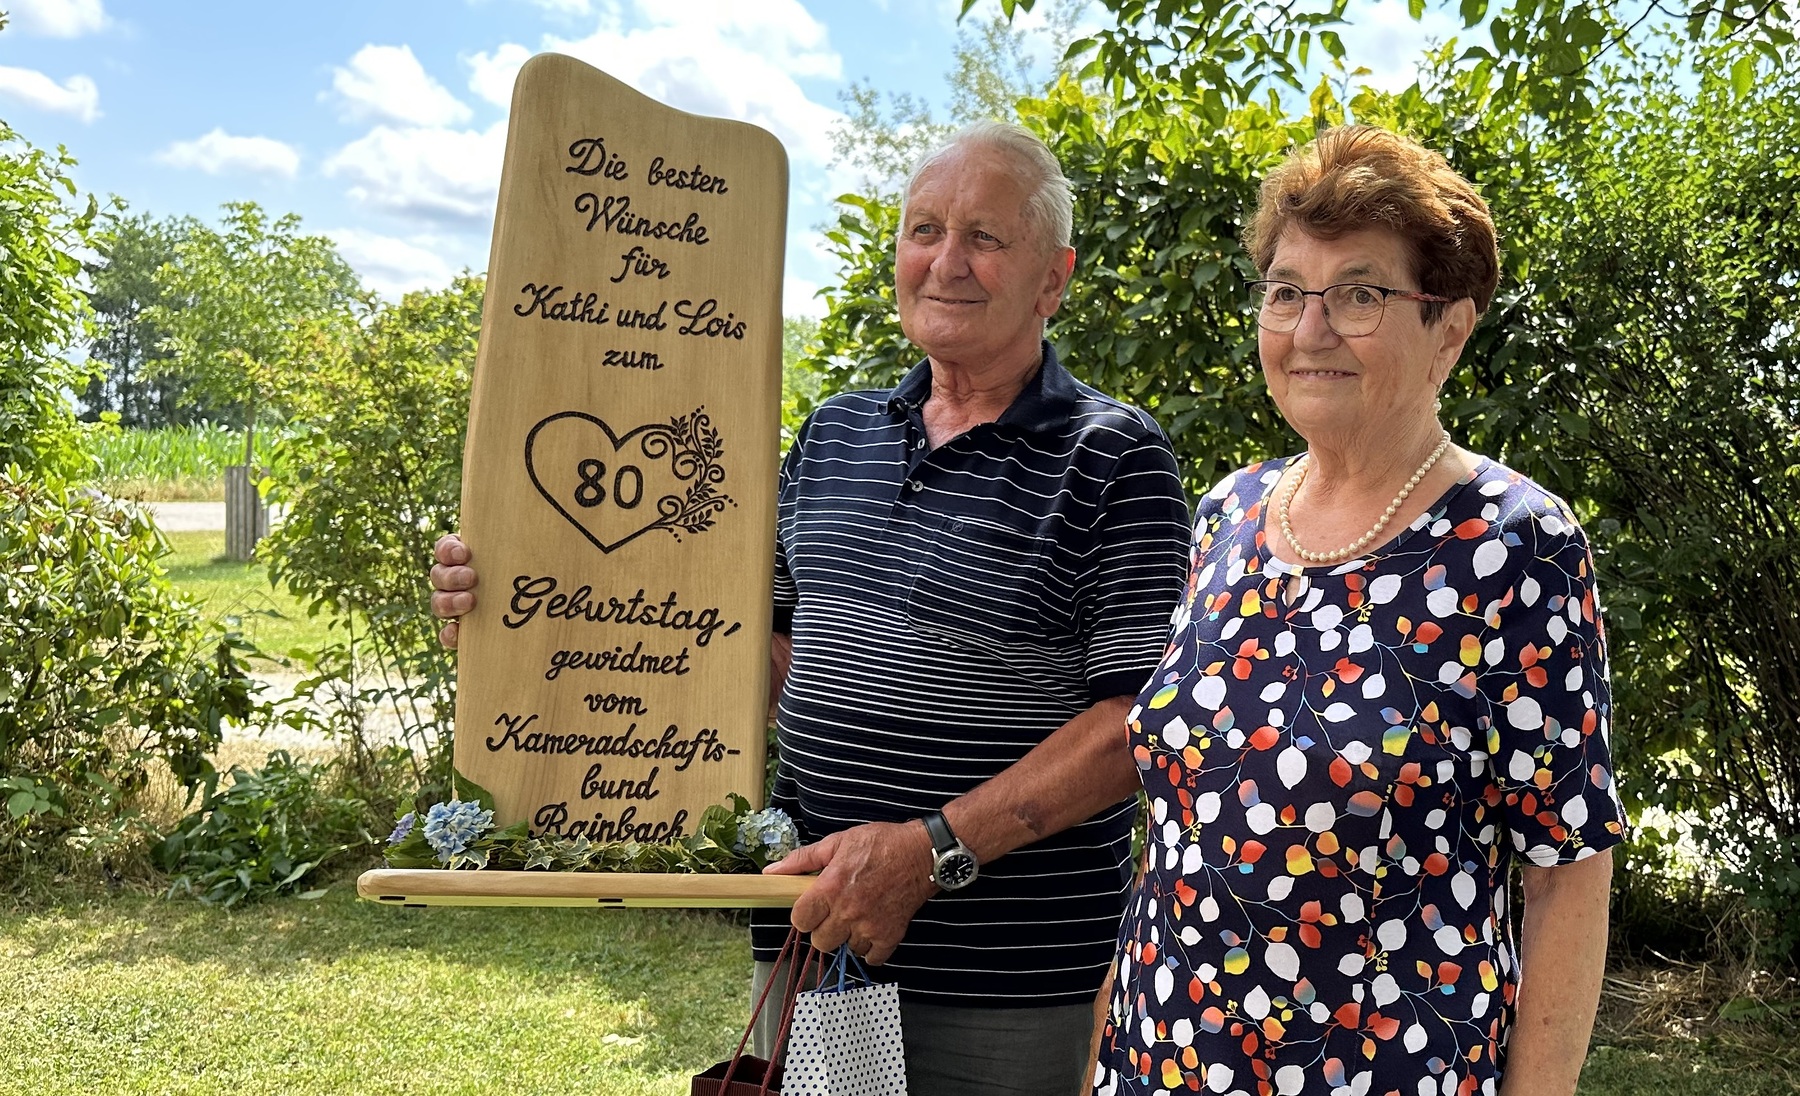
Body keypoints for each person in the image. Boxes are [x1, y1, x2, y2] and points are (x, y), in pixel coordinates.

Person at [432, 121, 1193, 1096]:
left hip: (1003, 981)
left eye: (985, 237)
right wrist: (524, 624)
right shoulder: (834, 431)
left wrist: (931, 851)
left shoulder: (1114, 455)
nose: (946, 261)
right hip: (812, 943)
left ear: (1054, 278)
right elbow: (745, 660)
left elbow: (1134, 724)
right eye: (925, 230)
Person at [1089, 125, 1624, 1096]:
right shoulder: (1227, 514)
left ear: (1449, 329)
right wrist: (1102, 1053)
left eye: (1360, 293)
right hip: (1159, 1063)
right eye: (1287, 290)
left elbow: (1567, 871)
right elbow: (1171, 837)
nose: (1310, 329)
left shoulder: (1514, 544)